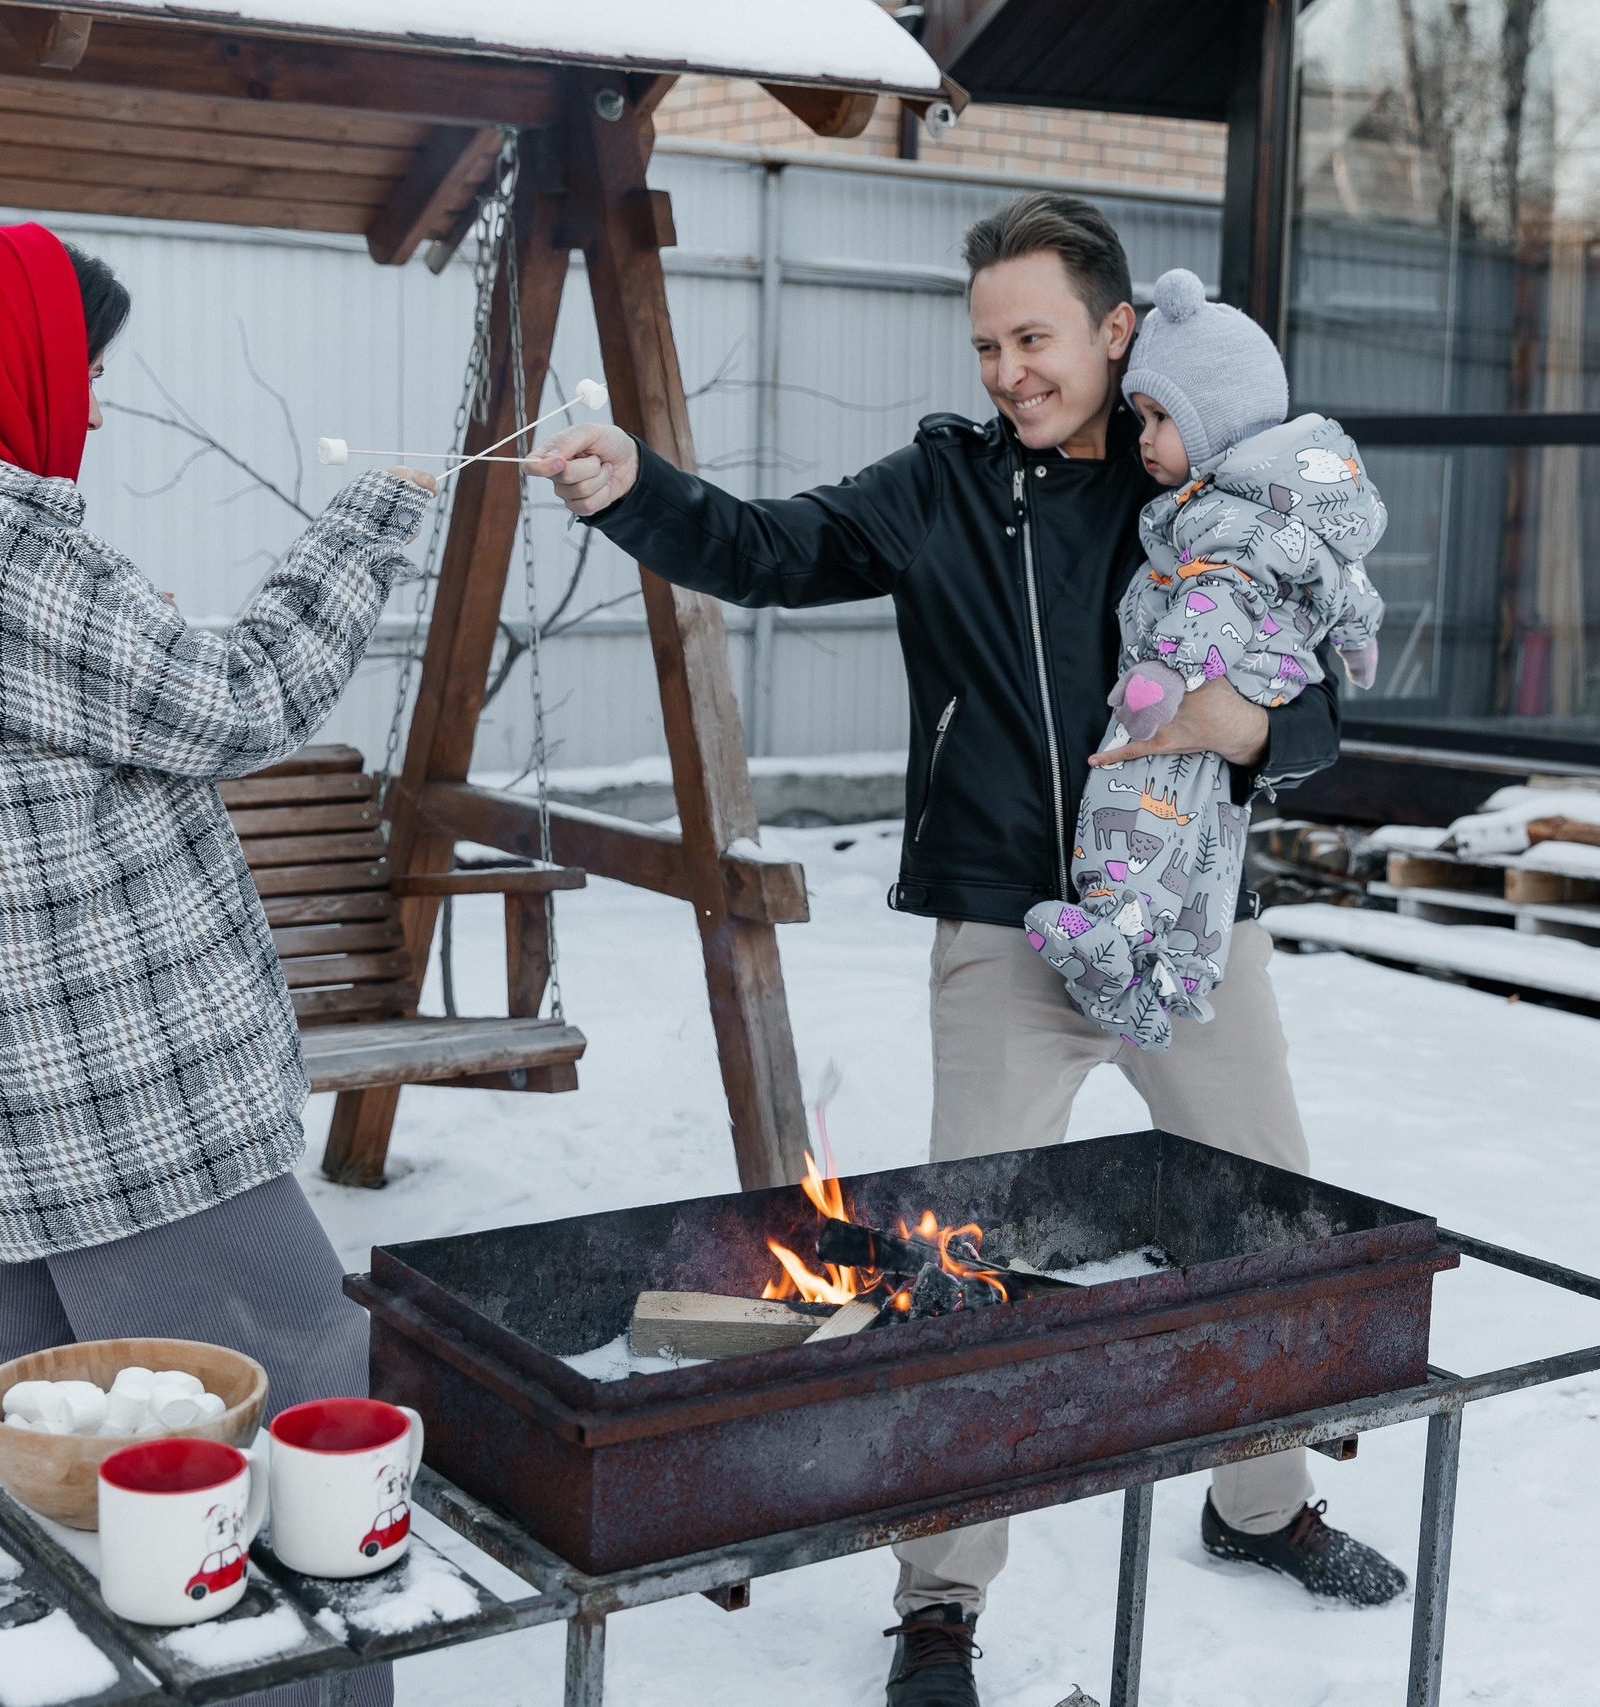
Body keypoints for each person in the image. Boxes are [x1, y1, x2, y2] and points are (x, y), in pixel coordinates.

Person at [530, 194, 1405, 1707]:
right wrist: (631, 491)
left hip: (1193, 920)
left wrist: (1245, 724)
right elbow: (766, 547)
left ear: (1118, 328)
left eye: (1036, 336)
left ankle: (1260, 1501)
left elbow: (1313, 684)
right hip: (1009, 929)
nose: (1009, 367)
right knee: (964, 1260)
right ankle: (940, 1596)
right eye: (989, 341)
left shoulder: (1198, 477)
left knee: (1267, 1219)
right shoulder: (941, 487)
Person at [0, 222, 437, 1707]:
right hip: (122, 1118)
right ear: (7, 366)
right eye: (74, 364)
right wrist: (362, 531)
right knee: (282, 1432)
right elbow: (237, 697)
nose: (86, 398)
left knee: (33, 1459)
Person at [1025, 266, 1388, 1049]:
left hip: (1197, 678)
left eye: (1159, 419)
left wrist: (1162, 676)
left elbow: (1213, 599)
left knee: (1132, 800)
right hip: (1250, 684)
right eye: (1141, 416)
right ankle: (1176, 975)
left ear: (1219, 421)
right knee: (1206, 843)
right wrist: (1359, 641)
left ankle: (1111, 933)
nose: (1144, 438)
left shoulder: (1222, 517)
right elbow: (1347, 585)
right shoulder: (1307, 504)